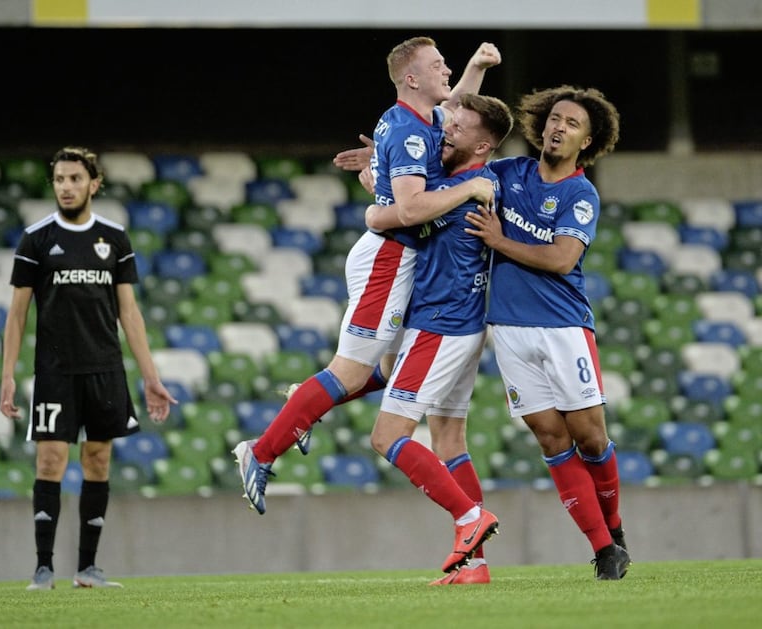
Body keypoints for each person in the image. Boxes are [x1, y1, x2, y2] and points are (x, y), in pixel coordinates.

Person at [232, 36, 501, 518]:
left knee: (384, 369)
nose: (446, 71)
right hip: (388, 259)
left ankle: (305, 403)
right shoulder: (412, 132)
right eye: (438, 65)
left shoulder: (418, 121)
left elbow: (458, 110)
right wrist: (463, 190)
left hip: (397, 255)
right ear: (411, 78)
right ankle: (262, 451)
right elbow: (412, 207)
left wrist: (477, 66)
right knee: (352, 372)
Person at [463, 85, 630, 580]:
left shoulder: (580, 193)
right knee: (550, 438)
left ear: (587, 140)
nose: (559, 127)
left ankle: (615, 526)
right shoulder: (508, 173)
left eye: (572, 123)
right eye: (555, 118)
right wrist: (386, 166)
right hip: (510, 330)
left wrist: (498, 240)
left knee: (590, 438)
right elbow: (453, 176)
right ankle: (604, 550)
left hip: (563, 329)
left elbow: (561, 259)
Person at [0, 146, 178, 590]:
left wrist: (151, 377)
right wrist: (7, 376)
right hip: (56, 370)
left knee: (98, 460)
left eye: (75, 179)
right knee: (50, 458)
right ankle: (43, 567)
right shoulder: (36, 239)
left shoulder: (114, 237)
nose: (66, 186)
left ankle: (88, 568)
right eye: (59, 179)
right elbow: (17, 314)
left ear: (93, 184)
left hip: (106, 369)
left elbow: (130, 314)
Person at [363, 92, 514, 584]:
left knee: (387, 437)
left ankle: (472, 518)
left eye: (459, 127)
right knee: (449, 440)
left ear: (483, 146)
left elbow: (399, 217)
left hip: (441, 325)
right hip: (461, 324)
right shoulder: (468, 184)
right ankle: (477, 566)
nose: (447, 130)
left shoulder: (470, 190)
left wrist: (377, 195)